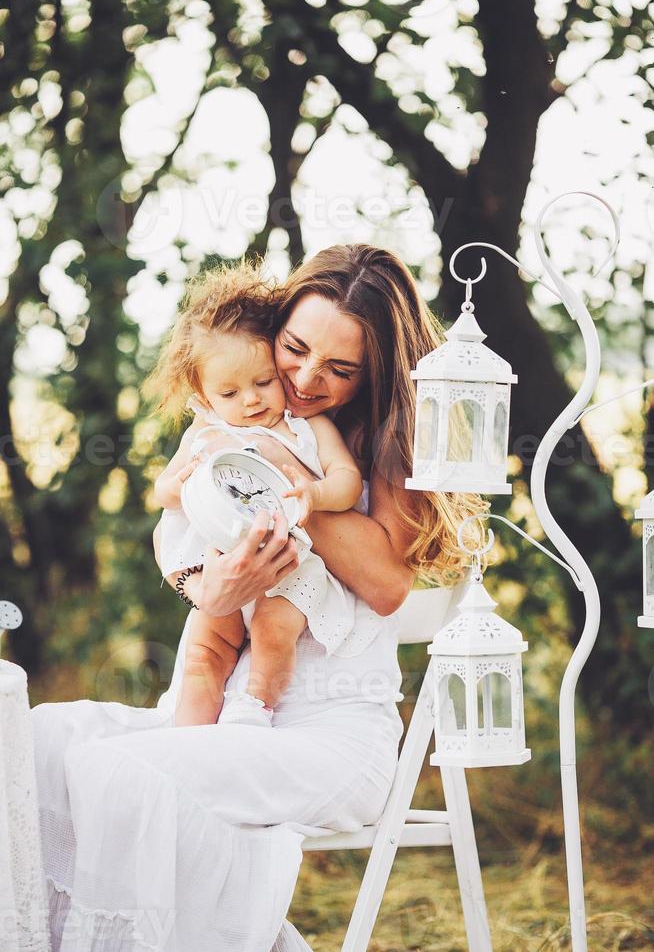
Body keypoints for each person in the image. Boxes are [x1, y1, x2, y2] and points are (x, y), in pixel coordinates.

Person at [30, 244, 486, 952]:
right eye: (295, 349)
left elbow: (389, 585)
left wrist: (282, 474)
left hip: (331, 735)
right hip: (217, 713)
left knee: (115, 773)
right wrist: (206, 585)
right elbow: (176, 532)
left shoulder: (369, 442)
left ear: (374, 371)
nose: (305, 379)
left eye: (340, 368)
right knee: (36, 743)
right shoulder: (235, 411)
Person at [145, 261, 373, 729]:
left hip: (288, 562)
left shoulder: (306, 426)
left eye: (263, 382)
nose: (250, 401)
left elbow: (347, 479)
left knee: (273, 630)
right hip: (219, 562)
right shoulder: (206, 429)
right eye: (229, 392)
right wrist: (179, 480)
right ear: (204, 394)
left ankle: (253, 710)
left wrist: (315, 494)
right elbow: (163, 494)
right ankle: (190, 736)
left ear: (273, 365)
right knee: (205, 650)